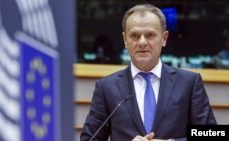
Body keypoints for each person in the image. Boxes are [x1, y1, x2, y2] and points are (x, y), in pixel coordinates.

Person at [80, 3, 217, 141]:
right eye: (134, 35)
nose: (142, 42)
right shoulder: (107, 87)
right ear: (125, 40)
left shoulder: (189, 83)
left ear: (164, 38)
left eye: (150, 35)